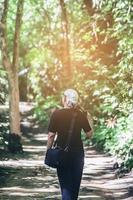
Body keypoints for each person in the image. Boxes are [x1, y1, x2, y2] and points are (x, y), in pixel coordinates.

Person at [46, 89, 93, 200]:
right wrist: (89, 120)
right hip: (78, 154)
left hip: (62, 153)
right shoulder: (81, 115)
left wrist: (48, 150)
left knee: (66, 186)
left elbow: (51, 135)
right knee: (75, 187)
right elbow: (89, 135)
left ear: (65, 99)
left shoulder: (56, 114)